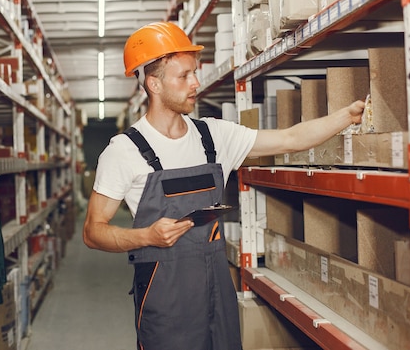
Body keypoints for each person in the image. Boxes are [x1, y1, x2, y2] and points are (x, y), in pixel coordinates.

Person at [83, 21, 365, 350]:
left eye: (195, 73)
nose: (195, 83)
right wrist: (145, 236)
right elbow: (93, 231)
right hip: (165, 297)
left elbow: (290, 138)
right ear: (154, 84)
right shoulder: (124, 151)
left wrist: (345, 116)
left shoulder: (213, 136)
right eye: (184, 76)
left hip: (218, 287)